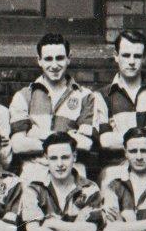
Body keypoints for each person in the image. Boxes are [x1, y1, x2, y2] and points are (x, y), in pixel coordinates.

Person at [94, 30, 146, 190]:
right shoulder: (102, 96)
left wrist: (119, 137)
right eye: (126, 55)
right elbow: (105, 141)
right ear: (116, 56)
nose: (131, 61)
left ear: (144, 57)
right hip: (114, 170)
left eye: (137, 56)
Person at [10, 33, 96, 183]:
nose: (54, 65)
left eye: (60, 58)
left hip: (73, 173)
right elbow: (17, 145)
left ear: (69, 58)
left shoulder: (85, 96)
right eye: (48, 59)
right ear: (39, 60)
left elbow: (86, 144)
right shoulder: (24, 96)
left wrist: (35, 134)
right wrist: (67, 137)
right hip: (34, 173)